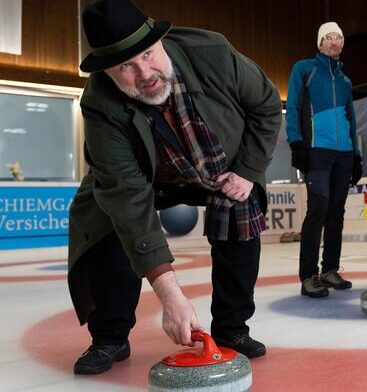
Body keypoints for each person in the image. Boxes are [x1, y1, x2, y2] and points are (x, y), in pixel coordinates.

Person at [69, 0, 281, 375]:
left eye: (148, 54)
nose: (144, 73)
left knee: (240, 207)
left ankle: (232, 330)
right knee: (107, 220)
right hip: (148, 177)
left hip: (218, 166)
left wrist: (248, 170)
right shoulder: (100, 104)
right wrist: (171, 295)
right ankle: (110, 336)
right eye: (126, 67)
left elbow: (265, 104)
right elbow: (127, 198)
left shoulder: (212, 52)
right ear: (108, 73)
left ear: (161, 42)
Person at [285, 22, 362, 298]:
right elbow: (292, 107)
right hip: (317, 151)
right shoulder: (304, 69)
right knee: (318, 210)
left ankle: (330, 269)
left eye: (339, 37)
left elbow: (352, 119)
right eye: (328, 37)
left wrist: (357, 155)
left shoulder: (344, 80)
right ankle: (308, 275)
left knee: (336, 212)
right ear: (319, 43)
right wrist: (296, 143)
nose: (334, 41)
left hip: (343, 154)